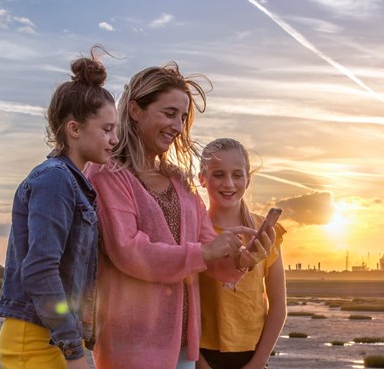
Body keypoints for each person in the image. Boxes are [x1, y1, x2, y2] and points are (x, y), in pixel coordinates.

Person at [85, 62, 273, 369]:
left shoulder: (180, 183)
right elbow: (129, 250)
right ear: (135, 110)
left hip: (185, 346)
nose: (178, 125)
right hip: (132, 344)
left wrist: (241, 260)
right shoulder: (108, 173)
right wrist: (205, 251)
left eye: (183, 117)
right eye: (169, 113)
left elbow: (210, 251)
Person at [0, 47, 118, 369]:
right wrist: (73, 348)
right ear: (74, 129)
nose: (115, 138)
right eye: (107, 129)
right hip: (35, 338)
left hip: (49, 334)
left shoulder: (73, 183)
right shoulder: (55, 180)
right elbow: (39, 269)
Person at [196, 138, 287, 369]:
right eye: (218, 174)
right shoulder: (193, 232)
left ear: (248, 179)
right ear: (202, 178)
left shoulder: (265, 232)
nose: (228, 183)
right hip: (202, 355)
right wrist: (198, 361)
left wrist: (259, 362)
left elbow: (278, 305)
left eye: (237, 175)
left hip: (253, 354)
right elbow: (182, 303)